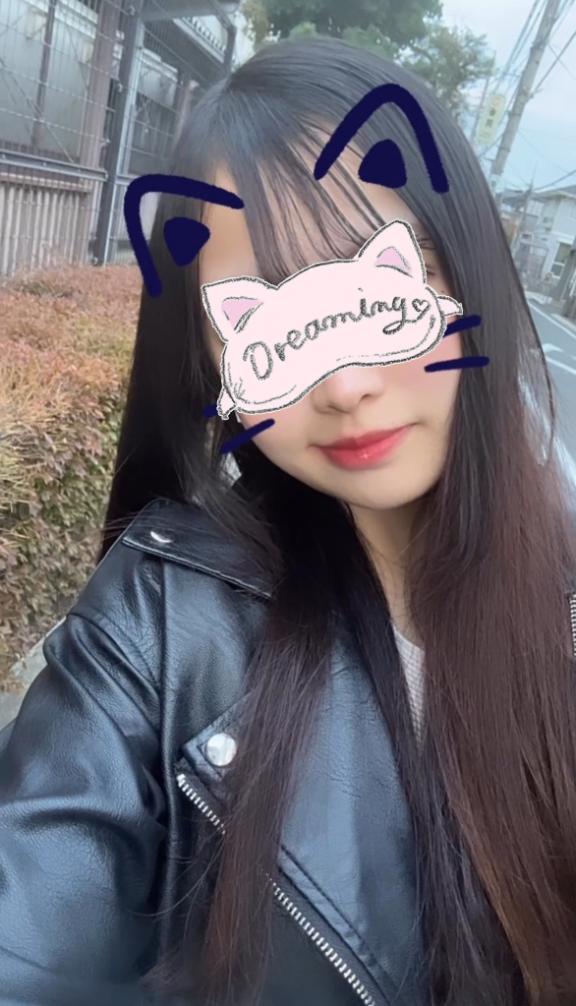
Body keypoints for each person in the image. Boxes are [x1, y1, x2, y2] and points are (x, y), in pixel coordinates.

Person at [1, 34, 576, 1006]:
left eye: (375, 293)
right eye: (271, 324)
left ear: (466, 270)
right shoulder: (160, 625)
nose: (344, 385)